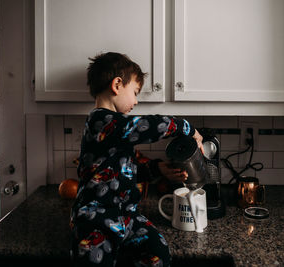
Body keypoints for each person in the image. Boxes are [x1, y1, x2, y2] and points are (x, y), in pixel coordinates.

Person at [70, 52, 203, 267]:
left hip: (128, 217)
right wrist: (186, 127)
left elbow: (122, 170)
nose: (136, 100)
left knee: (158, 254)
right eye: (135, 92)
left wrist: (158, 169)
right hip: (95, 220)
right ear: (117, 85)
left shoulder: (116, 128)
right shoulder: (100, 121)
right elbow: (145, 126)